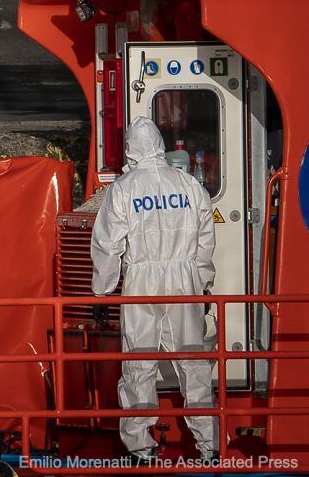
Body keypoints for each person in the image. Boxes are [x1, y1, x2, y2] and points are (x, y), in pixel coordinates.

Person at [92, 116, 218, 462]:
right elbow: (205, 242)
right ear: (160, 146)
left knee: (138, 363)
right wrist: (203, 284)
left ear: (131, 149)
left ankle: (140, 447)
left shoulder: (124, 189)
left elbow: (107, 245)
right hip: (183, 281)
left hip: (141, 284)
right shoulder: (190, 185)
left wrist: (102, 292)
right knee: (193, 363)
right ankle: (209, 447)